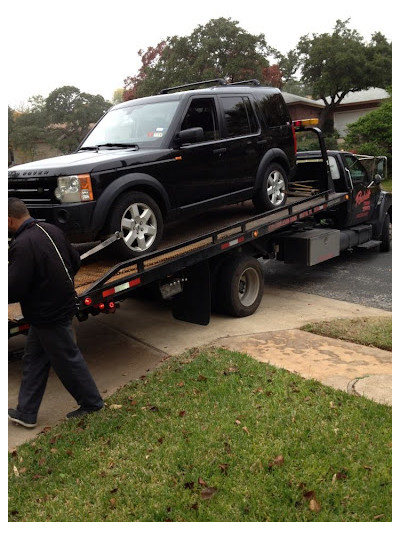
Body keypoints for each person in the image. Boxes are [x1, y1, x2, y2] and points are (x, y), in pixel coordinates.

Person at [8, 198, 104, 428]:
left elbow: (13, 287)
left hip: (48, 314)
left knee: (67, 359)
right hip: (57, 307)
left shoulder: (22, 244)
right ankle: (26, 412)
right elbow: (76, 260)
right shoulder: (51, 229)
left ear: (9, 220)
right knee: (34, 359)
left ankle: (92, 403)